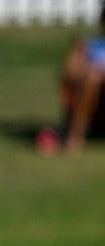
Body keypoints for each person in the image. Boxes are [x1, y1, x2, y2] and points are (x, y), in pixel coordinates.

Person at [52, 2, 105, 154]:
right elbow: (68, 75)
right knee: (92, 77)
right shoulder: (88, 46)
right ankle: (75, 136)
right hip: (96, 104)